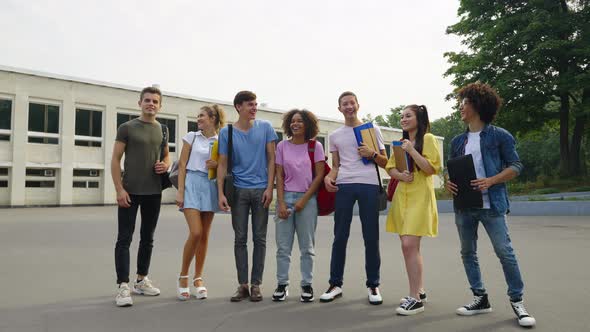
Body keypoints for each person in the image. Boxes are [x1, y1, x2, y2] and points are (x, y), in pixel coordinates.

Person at [446, 82, 536, 327]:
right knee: (467, 253)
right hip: (464, 206)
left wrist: (492, 180)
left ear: (478, 104)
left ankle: (517, 301)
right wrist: (449, 183)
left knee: (505, 253)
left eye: (465, 102)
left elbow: (516, 166)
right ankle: (480, 298)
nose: (461, 107)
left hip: (492, 205)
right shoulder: (457, 140)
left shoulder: (499, 135)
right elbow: (452, 169)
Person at [319, 91, 387, 305]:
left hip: (369, 184)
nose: (348, 106)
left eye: (351, 103)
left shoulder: (371, 129)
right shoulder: (336, 135)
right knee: (340, 236)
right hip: (344, 185)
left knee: (371, 237)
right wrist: (329, 178)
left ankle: (373, 284)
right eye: (344, 104)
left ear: (358, 105)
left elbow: (386, 162)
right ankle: (335, 284)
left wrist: (372, 154)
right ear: (339, 109)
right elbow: (336, 166)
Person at [111, 86, 170, 307]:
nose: (151, 104)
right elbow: (115, 159)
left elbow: (166, 155)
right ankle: (123, 286)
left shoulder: (163, 129)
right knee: (124, 239)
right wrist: (119, 189)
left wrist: (165, 164)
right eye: (147, 100)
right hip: (130, 192)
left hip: (153, 192)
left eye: (155, 101)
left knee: (148, 238)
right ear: (140, 103)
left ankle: (141, 279)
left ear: (160, 105)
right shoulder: (127, 128)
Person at [217, 91, 278, 302]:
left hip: (262, 189)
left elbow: (272, 160)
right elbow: (222, 164)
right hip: (238, 191)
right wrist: (220, 194)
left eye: (255, 104)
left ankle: (256, 285)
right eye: (250, 105)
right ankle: (242, 285)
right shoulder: (228, 132)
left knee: (260, 238)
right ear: (238, 107)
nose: (254, 108)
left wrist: (271, 188)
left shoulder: (266, 128)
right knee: (240, 239)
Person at [385, 105, 441, 315]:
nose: (403, 119)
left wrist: (411, 150)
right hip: (402, 198)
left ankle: (415, 299)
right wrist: (400, 176)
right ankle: (419, 289)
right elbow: (390, 168)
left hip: (420, 197)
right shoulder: (399, 143)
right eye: (401, 116)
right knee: (410, 247)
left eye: (408, 115)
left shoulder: (428, 139)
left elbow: (431, 169)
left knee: (409, 245)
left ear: (419, 118)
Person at [272, 109, 325, 302]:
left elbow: (319, 176)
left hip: (307, 200)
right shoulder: (282, 146)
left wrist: (304, 200)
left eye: (300, 121)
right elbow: (279, 175)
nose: (295, 124)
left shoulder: (315, 146)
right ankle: (282, 284)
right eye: (292, 121)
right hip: (285, 197)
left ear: (307, 125)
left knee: (307, 247)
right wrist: (281, 203)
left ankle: (306, 285)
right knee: (283, 248)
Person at [175, 105, 226, 301]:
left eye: (202, 116)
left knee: (204, 235)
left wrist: (218, 164)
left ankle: (198, 279)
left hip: (210, 185)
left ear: (213, 118)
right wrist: (180, 191)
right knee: (195, 232)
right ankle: (183, 276)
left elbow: (226, 166)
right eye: (198, 116)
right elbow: (181, 164)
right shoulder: (192, 137)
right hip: (191, 184)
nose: (199, 119)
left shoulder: (221, 140)